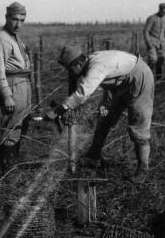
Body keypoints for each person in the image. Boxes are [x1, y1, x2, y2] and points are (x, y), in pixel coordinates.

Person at [53, 46, 155, 183]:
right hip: (122, 83)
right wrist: (105, 103)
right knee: (105, 119)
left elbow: (83, 93)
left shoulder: (96, 66)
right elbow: (111, 77)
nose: (70, 73)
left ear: (78, 64)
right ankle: (93, 156)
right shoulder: (92, 61)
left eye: (70, 69)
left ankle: (143, 170)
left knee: (138, 126)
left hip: (139, 78)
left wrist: (61, 108)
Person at [0, 1, 31, 173]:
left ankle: (13, 163)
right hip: (12, 85)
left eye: (22, 20)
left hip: (23, 84)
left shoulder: (15, 37)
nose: (18, 24)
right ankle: (8, 170)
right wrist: (6, 95)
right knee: (11, 128)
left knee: (20, 126)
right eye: (15, 19)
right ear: (6, 17)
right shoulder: (1, 38)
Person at [142, 3, 165, 80]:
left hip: (162, 45)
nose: (164, 13)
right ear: (159, 9)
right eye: (163, 11)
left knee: (161, 61)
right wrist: (149, 43)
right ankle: (147, 78)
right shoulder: (152, 18)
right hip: (152, 43)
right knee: (153, 60)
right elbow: (146, 31)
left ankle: (158, 80)